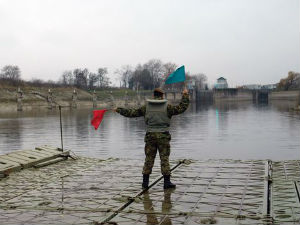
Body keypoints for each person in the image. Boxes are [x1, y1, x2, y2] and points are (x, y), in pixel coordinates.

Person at [114, 87, 189, 189]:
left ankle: (145, 183)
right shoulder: (168, 107)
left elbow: (132, 113)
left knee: (149, 159)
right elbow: (181, 108)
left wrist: (119, 110)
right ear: (162, 96)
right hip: (163, 136)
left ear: (153, 96)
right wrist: (185, 95)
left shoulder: (146, 107)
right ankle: (167, 183)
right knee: (164, 159)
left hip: (150, 136)